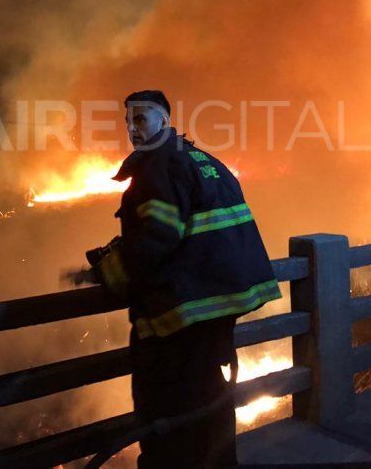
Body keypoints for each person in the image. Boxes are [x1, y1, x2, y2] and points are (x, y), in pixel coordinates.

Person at [66, 90, 280, 468]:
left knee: (166, 406)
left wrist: (106, 273)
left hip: (186, 313)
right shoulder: (199, 157)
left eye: (142, 118)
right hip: (220, 304)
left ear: (164, 120)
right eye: (129, 120)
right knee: (209, 400)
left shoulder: (158, 164)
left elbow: (158, 235)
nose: (133, 128)